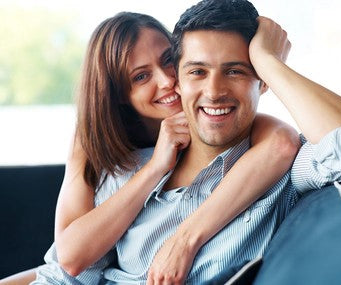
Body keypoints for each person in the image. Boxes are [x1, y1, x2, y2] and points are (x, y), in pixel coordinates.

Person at [24, 0, 341, 284]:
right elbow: (65, 272)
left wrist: (267, 62)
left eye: (235, 70)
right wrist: (155, 168)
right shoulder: (123, 169)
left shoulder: (279, 168)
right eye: (196, 71)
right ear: (182, 81)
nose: (213, 91)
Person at [0, 10, 301, 285]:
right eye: (141, 76)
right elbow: (68, 260)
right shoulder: (96, 138)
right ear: (118, 93)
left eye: (169, 59)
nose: (168, 80)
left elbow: (280, 142)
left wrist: (265, 61)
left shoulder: (214, 113)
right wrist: (158, 165)